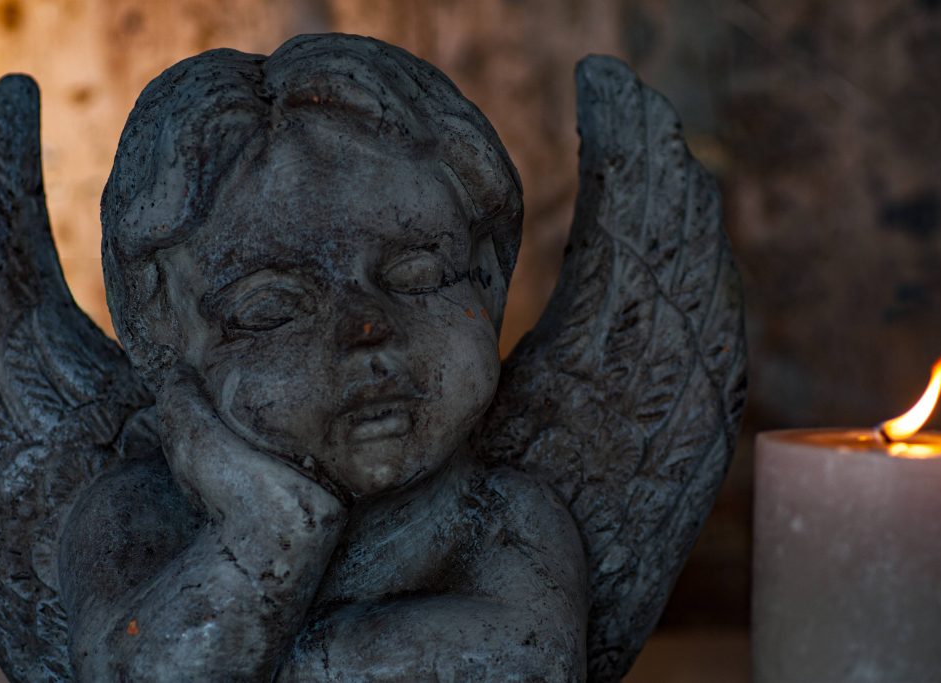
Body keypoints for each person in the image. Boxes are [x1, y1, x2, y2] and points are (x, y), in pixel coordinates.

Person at [60, 34, 586, 681]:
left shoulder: (500, 516)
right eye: (273, 310)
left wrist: (260, 657)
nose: (367, 329)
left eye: (416, 276)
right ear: (165, 342)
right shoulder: (132, 514)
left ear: (486, 279)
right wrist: (270, 526)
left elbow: (527, 659)